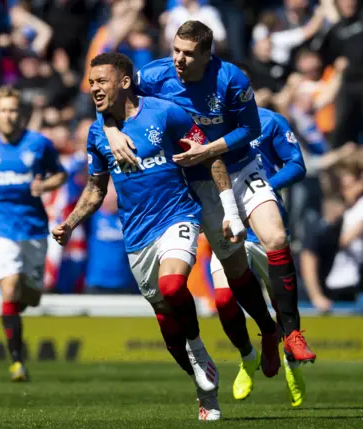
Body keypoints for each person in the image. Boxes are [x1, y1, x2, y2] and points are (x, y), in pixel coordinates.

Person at [104, 20, 315, 379]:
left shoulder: (231, 79)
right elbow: (109, 94)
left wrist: (210, 149)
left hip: (240, 167)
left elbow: (251, 129)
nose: (179, 60)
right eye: (175, 50)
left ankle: (292, 332)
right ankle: (267, 330)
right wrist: (110, 131)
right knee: (234, 272)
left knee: (277, 238)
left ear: (207, 55)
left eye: (188, 54)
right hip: (196, 181)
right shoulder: (154, 75)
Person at [53, 52, 221, 421]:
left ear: (124, 82)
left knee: (175, 285)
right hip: (137, 235)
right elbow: (96, 190)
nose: (93, 87)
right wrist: (71, 222)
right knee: (167, 327)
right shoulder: (99, 133)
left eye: (101, 80)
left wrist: (226, 201)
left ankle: (199, 350)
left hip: (177, 215)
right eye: (91, 81)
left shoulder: (165, 113)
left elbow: (208, 151)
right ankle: (202, 386)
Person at [210, 106, 307, 405]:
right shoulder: (202, 122)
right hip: (227, 227)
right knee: (224, 300)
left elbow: (297, 164)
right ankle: (247, 357)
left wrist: (264, 190)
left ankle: (293, 364)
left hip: (265, 225)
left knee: (282, 301)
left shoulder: (269, 120)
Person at [0, 87, 67, 381]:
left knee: (29, 296)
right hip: (0, 226)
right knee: (9, 287)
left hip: (33, 228)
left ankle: (23, 303)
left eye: (13, 110)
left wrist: (45, 187)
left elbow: (60, 174)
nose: (8, 115)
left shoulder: (39, 144)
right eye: (3, 110)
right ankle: (17, 361)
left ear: (22, 114)